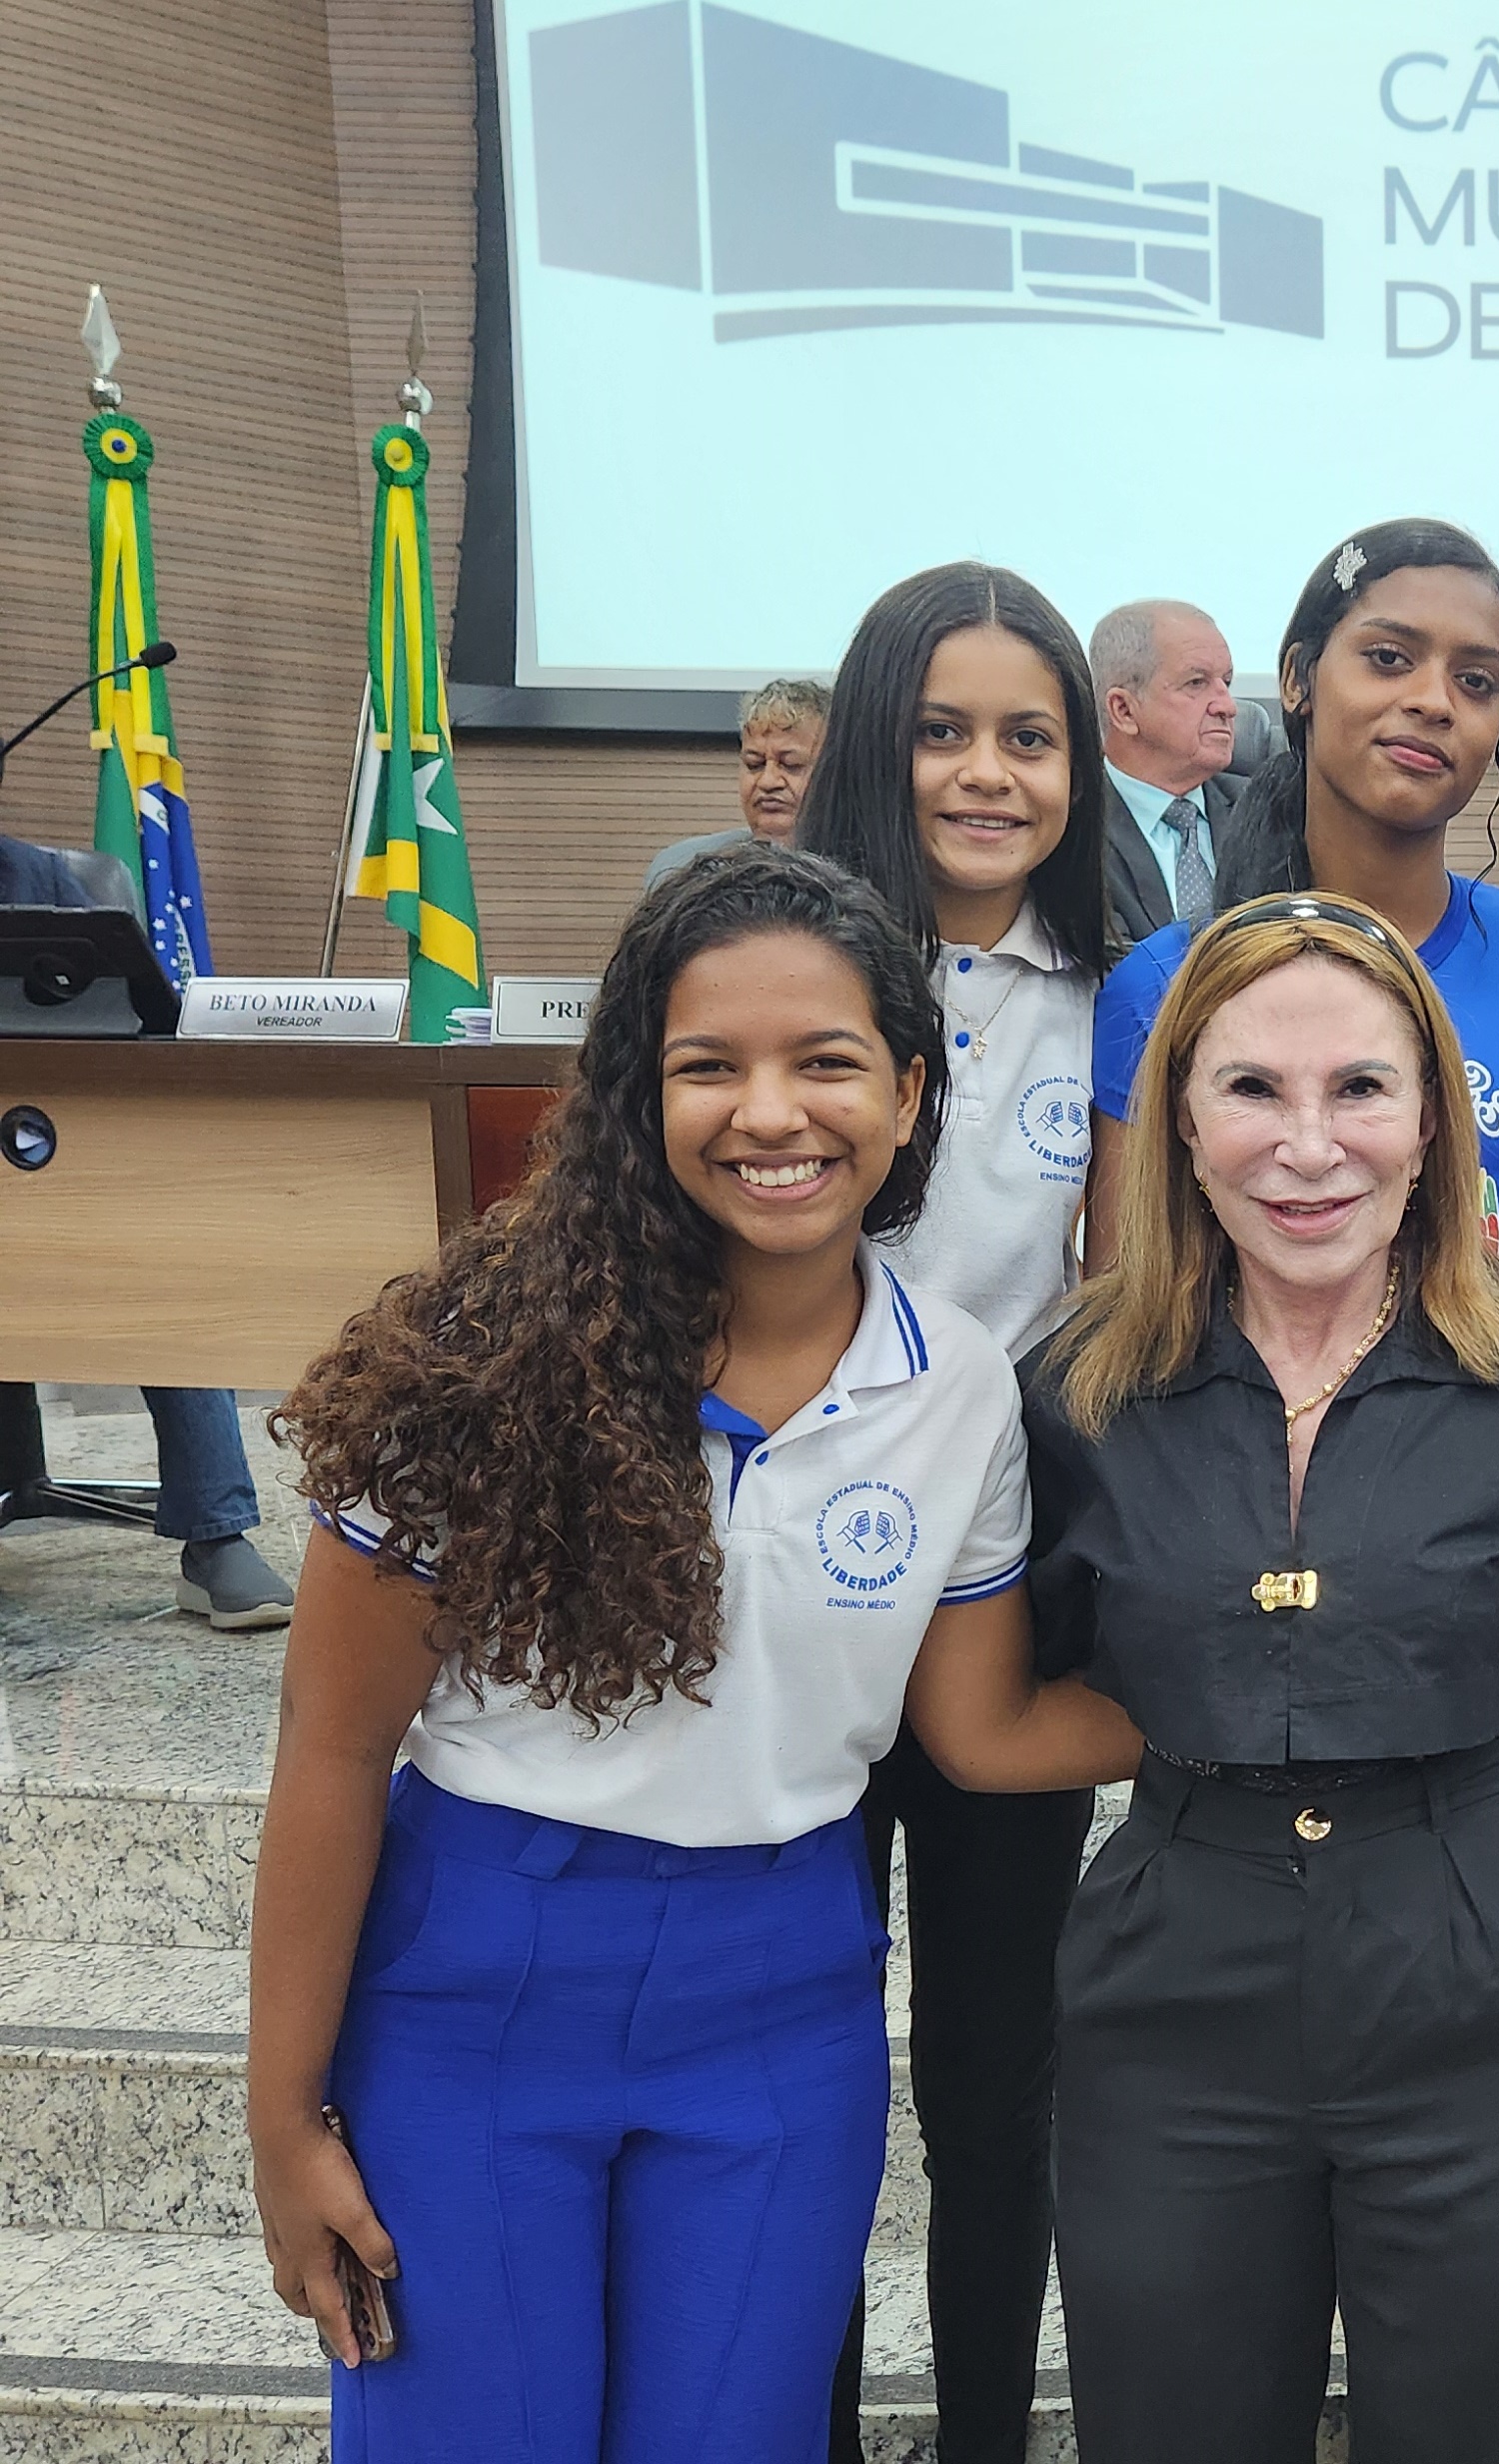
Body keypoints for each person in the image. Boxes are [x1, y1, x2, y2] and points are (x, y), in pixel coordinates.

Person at [246, 846, 1141, 2463]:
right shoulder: (478, 1365)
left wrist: (1272, 1697)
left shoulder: (959, 1396)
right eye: (709, 1066)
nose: (772, 1112)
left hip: (783, 1994)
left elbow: (982, 1734)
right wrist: (281, 2117)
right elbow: (327, 1752)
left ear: (911, 1091)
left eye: (827, 1063)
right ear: (631, 1095)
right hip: (477, 1989)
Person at [1027, 890, 1499, 2464]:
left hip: (1481, 1964)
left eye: (1361, 1088)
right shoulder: (1078, 1386)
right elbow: (1007, 1690)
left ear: (1433, 1120)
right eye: (1252, 1089)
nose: (1311, 1146)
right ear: (1175, 1118)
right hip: (1176, 1979)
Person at [1089, 521, 1499, 1837]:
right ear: (1296, 680)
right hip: (1268, 1572)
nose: (1433, 704)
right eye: (1389, 657)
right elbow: (1125, 1299)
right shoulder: (1167, 985)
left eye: (1476, 679)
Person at [792, 562, 1108, 2464]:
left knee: (999, 2083)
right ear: (869, 742)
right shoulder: (779, 966)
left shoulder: (1133, 990)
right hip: (793, 1605)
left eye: (1029, 735)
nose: (985, 773)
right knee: (815, 2072)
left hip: (1023, 1590)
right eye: (941, 730)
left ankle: (987, 2434)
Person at [0, 828, 293, 1627]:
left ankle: (214, 1537)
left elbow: (123, 1034)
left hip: (50, 1152)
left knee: (164, 1245)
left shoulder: (42, 881)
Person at [1090, 598, 1242, 942]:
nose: (1228, 707)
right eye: (1196, 683)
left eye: (1227, 683)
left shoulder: (1271, 813)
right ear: (1124, 710)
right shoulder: (1069, 826)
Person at [647, 678, 832, 887]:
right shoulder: (678, 869)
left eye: (791, 765)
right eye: (754, 764)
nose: (768, 781)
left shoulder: (866, 875)